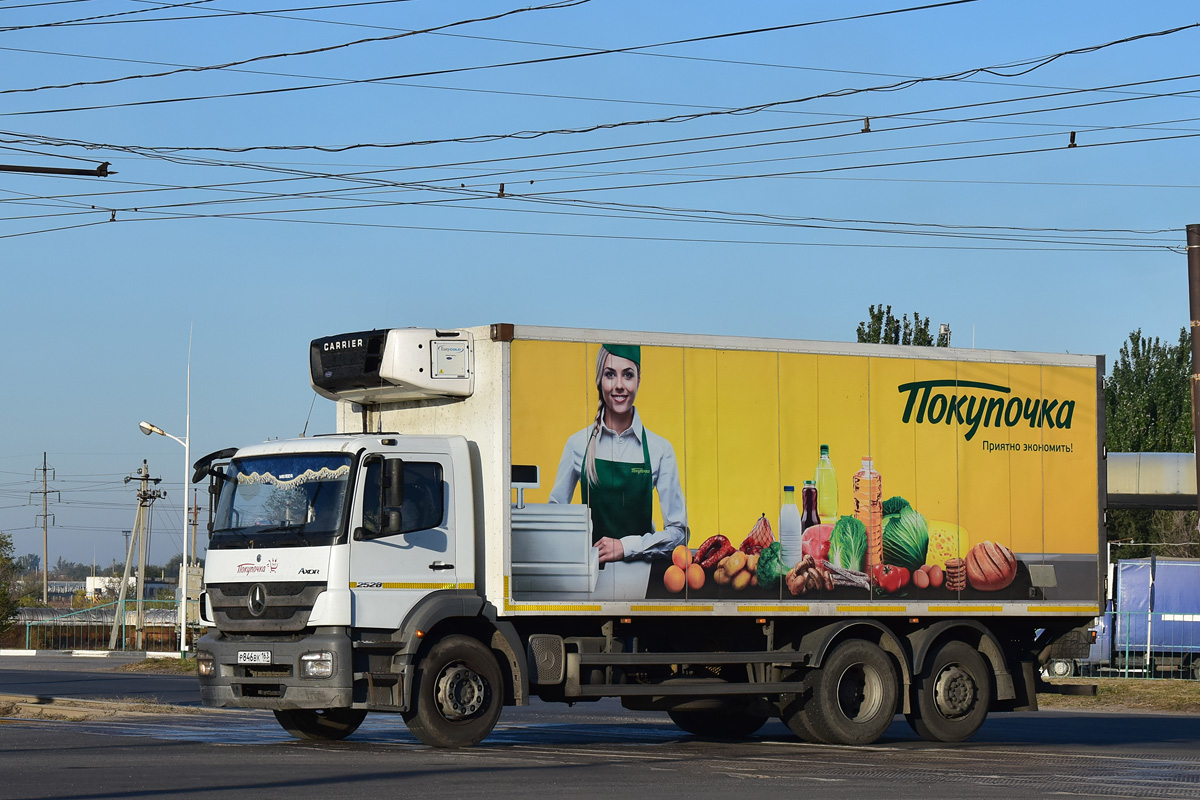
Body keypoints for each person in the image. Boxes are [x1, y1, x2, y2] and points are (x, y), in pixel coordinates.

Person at [549, 344, 688, 565]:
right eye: (610, 375)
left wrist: (626, 547)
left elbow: (679, 533)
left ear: (639, 379)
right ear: (599, 379)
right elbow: (554, 518)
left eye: (628, 375)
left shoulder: (660, 450)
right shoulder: (577, 445)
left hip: (642, 579)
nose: (620, 386)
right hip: (589, 575)